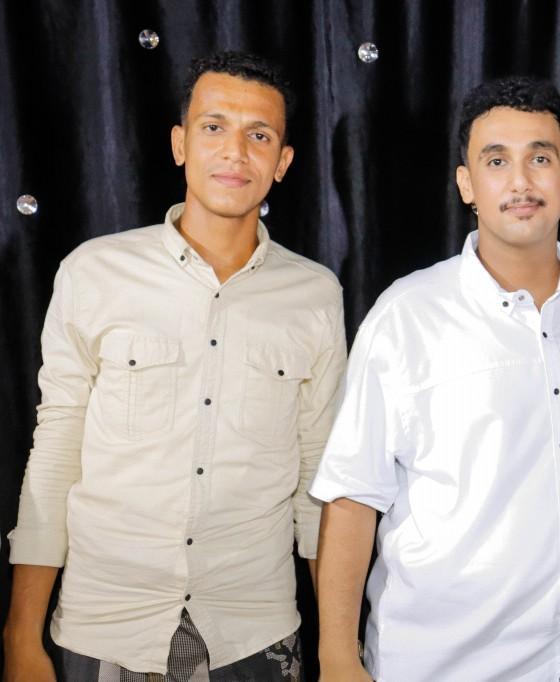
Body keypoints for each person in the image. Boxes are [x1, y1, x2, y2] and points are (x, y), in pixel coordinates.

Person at [2, 51, 346, 681]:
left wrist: (340, 651)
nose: (235, 152)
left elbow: (318, 478)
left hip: (254, 632)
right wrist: (20, 636)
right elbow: (56, 453)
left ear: (283, 162)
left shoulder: (316, 295)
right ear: (180, 144)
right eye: (214, 127)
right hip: (105, 627)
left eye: (259, 135)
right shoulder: (93, 271)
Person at [311, 76, 560, 681]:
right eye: (496, 161)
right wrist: (337, 656)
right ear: (466, 184)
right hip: (442, 665)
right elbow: (352, 495)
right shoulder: (407, 314)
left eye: (540, 158)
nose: (520, 181)